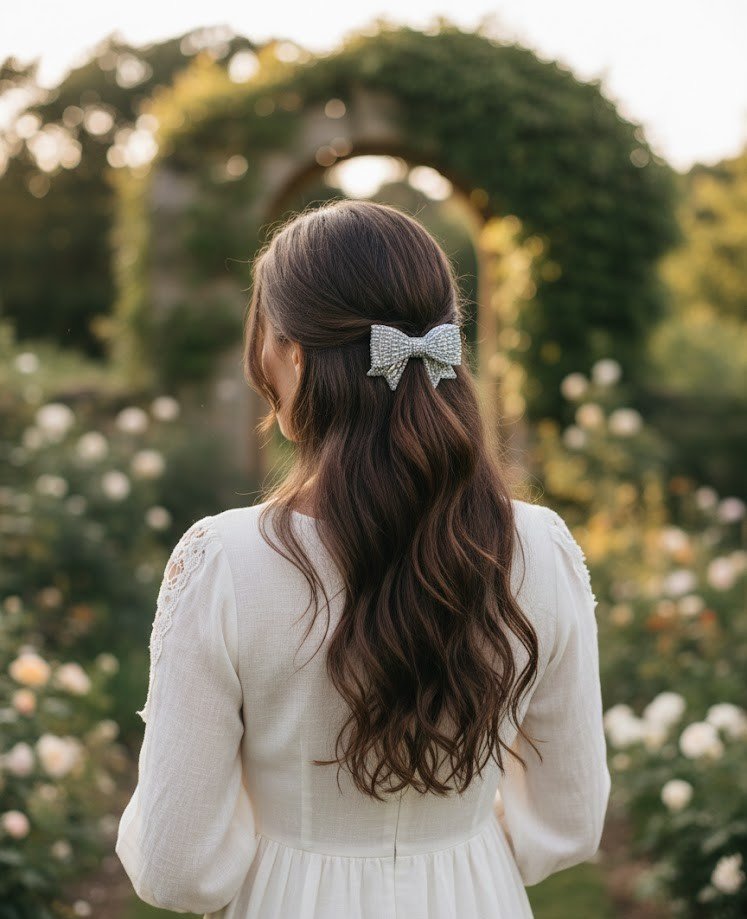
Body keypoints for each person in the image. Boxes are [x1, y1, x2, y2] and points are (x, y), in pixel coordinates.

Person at [116, 199, 610, 918]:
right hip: (475, 895)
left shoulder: (222, 562)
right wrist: (455, 841)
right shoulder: (541, 547)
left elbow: (177, 864)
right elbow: (572, 817)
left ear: (292, 353)